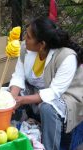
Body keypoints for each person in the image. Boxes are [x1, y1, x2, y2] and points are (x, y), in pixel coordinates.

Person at [9, 17, 83, 150]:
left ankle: (49, 147)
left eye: (29, 36)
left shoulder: (66, 57)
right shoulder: (26, 49)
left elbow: (54, 92)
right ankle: (14, 140)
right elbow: (18, 76)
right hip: (38, 90)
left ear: (42, 44)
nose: (24, 38)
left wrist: (22, 100)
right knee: (5, 96)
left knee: (47, 108)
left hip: (66, 96)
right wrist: (11, 98)